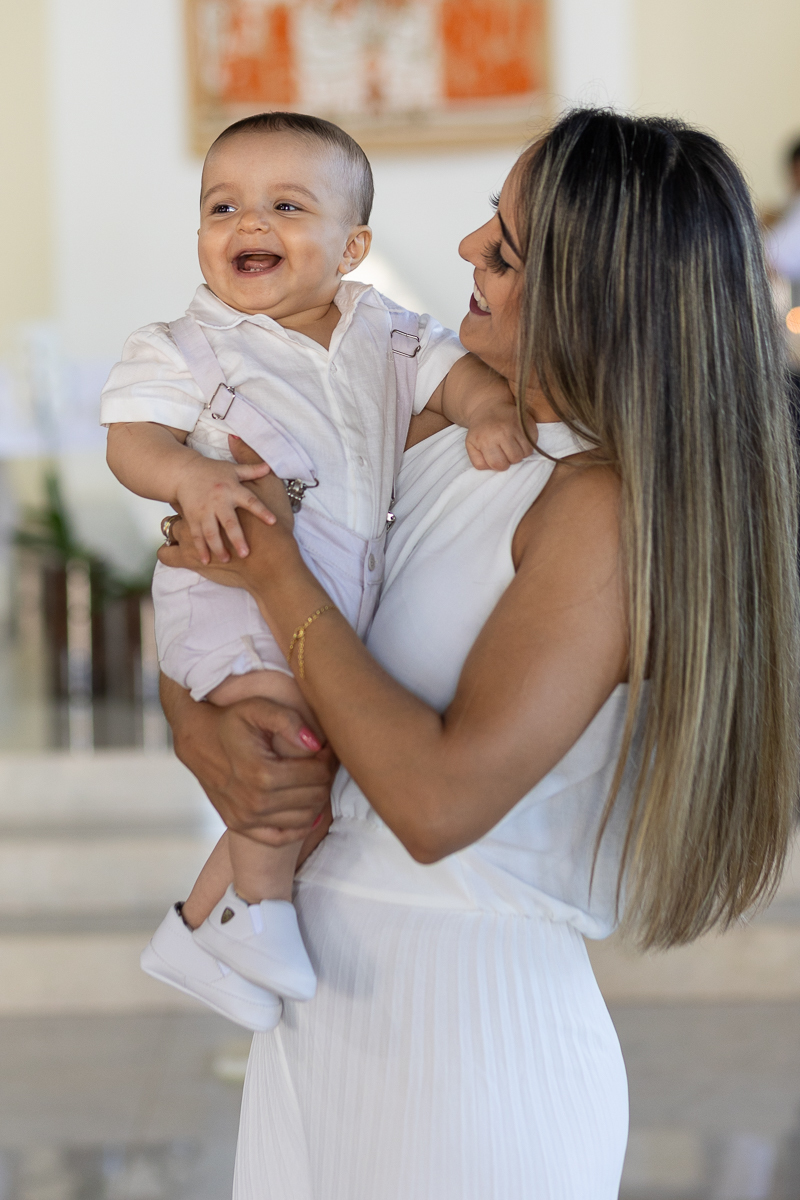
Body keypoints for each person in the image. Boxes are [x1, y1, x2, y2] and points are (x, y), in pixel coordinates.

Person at [159, 109, 800, 1199]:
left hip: (468, 1046)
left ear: (596, 299)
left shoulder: (602, 508)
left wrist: (275, 573)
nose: (465, 251)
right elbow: (214, 613)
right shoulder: (434, 433)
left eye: (502, 251)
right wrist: (203, 731)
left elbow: (435, 803)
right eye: (485, 225)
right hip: (313, 1021)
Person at [101, 112, 528, 1029]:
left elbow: (454, 379)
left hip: (321, 593)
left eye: (287, 206)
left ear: (352, 248)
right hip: (226, 580)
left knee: (310, 768)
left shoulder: (388, 332)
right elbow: (131, 439)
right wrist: (189, 477)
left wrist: (489, 411)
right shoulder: (183, 344)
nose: (250, 223)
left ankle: (201, 925)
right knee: (282, 737)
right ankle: (256, 912)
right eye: (223, 206)